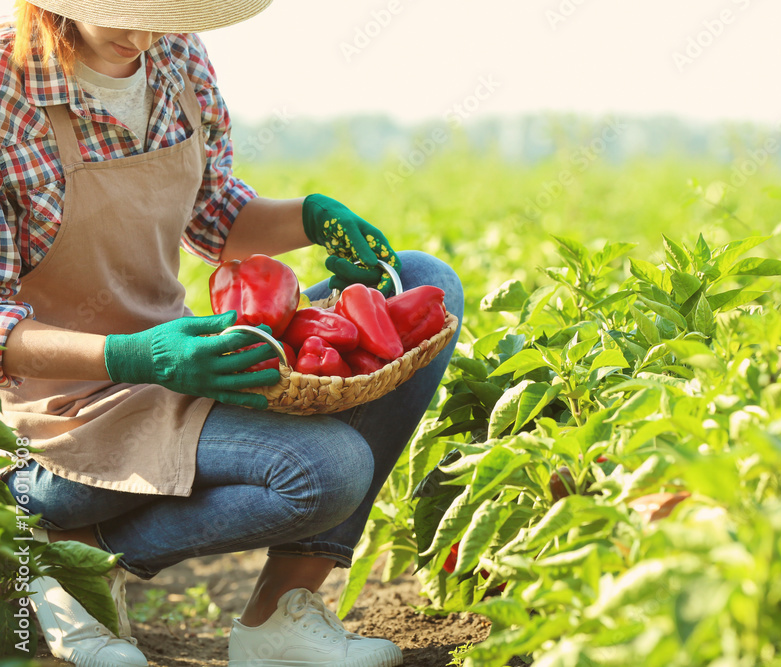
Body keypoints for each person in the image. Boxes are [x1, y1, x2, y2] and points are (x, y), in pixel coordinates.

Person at [0, 1, 463, 665]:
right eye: (120, 15)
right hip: (59, 419)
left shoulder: (175, 52)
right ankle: (70, 558)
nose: (143, 35)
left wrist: (311, 217)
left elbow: (216, 216)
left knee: (424, 281)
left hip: (179, 365)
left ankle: (280, 615)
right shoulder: (7, 85)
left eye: (159, 12)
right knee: (329, 471)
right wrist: (137, 353)